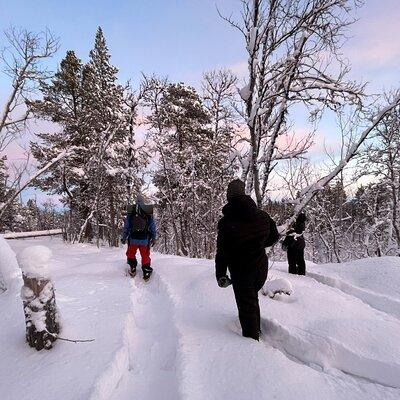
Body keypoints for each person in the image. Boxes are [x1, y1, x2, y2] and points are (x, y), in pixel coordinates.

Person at [215, 179, 279, 341]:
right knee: (252, 299)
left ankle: (251, 344)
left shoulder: (226, 223)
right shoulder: (263, 216)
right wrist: (257, 245)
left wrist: (221, 274)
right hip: (260, 268)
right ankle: (256, 329)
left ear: (229, 197)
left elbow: (222, 252)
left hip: (241, 271)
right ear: (244, 194)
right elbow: (274, 237)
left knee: (246, 305)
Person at [121, 194, 157, 280]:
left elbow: (127, 226)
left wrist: (124, 237)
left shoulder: (131, 210)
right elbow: (152, 226)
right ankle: (146, 271)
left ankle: (133, 268)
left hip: (133, 239)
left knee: (131, 253)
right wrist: (154, 237)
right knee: (145, 255)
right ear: (143, 201)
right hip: (144, 239)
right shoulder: (147, 210)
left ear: (136, 201)